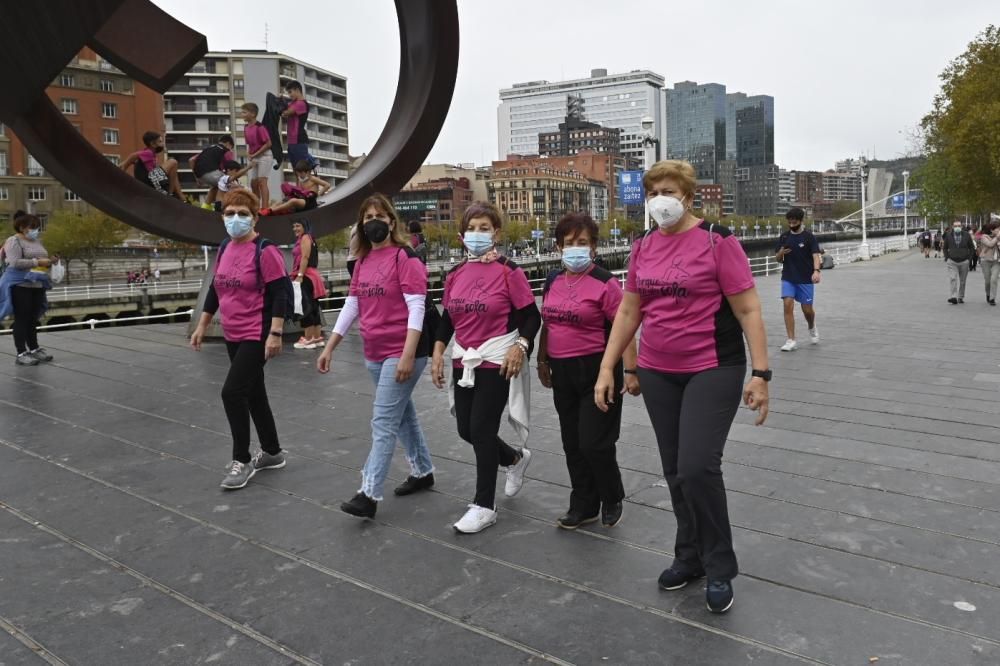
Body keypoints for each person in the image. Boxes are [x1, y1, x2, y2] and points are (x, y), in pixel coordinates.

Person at [595, 160, 770, 615]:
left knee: (697, 467)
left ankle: (719, 566)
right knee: (674, 469)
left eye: (668, 191)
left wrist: (761, 373)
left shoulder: (717, 241)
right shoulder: (643, 246)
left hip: (712, 366)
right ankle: (688, 555)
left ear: (689, 196)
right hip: (657, 370)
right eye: (652, 193)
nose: (659, 201)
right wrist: (610, 367)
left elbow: (749, 309)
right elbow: (629, 312)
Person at [317, 194, 436, 518]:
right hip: (374, 352)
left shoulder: (405, 258)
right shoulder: (364, 261)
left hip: (402, 351)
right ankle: (423, 471)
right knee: (403, 416)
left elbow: (417, 307)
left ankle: (368, 493)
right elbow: (352, 304)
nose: (373, 221)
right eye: (367, 216)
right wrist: (330, 347)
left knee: (383, 421)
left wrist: (408, 355)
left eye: (379, 215)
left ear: (391, 221)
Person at [430, 202, 541, 534]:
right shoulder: (454, 275)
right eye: (472, 228)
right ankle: (513, 459)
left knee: (481, 428)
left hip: (497, 357)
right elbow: (448, 318)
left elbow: (531, 316)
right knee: (466, 429)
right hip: (464, 356)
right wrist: (437, 353)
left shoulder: (509, 271)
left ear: (496, 233)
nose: (477, 234)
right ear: (462, 235)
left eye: (484, 227)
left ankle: (484, 506)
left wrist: (521, 346)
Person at [537, 212, 640, 530]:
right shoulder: (553, 279)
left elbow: (625, 326)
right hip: (562, 370)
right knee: (572, 442)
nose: (575, 249)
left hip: (598, 369)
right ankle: (583, 503)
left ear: (594, 248)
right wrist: (542, 360)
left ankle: (611, 496)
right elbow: (548, 322)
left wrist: (632, 370)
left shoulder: (605, 283)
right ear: (559, 247)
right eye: (569, 243)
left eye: (582, 243)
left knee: (594, 442)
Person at [190, 190, 290, 490]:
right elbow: (216, 289)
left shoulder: (265, 250)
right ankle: (272, 452)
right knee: (253, 391)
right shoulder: (224, 247)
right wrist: (202, 324)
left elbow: (281, 293)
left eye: (243, 214)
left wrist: (275, 333)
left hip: (256, 332)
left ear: (255, 217)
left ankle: (242, 459)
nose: (236, 219)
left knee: (232, 392)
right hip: (232, 332)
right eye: (230, 213)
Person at [0, 211, 54, 366]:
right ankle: (21, 353)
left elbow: (42, 258)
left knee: (32, 318)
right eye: (34, 227)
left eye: (37, 227)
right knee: (22, 318)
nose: (36, 230)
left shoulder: (36, 241)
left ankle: (34, 349)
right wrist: (38, 262)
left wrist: (50, 262)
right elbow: (15, 262)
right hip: (20, 284)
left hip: (36, 283)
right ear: (23, 227)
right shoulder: (13, 241)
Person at [775, 207, 821, 352]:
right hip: (788, 277)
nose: (791, 224)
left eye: (794, 221)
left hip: (805, 279)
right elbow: (777, 258)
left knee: (807, 311)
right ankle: (791, 340)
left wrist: (816, 271)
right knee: (787, 304)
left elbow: (815, 255)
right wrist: (781, 252)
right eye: (789, 221)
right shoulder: (784, 237)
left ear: (800, 221)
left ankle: (812, 326)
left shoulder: (809, 237)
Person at [290, 219, 327, 348]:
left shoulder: (305, 238)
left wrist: (300, 275)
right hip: (312, 275)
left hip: (306, 275)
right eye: (294, 226)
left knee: (305, 307)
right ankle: (317, 338)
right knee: (314, 306)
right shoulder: (309, 238)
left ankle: (308, 339)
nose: (295, 228)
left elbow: (305, 257)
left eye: (298, 226)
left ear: (305, 227)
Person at [121, 131, 185, 200]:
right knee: (173, 162)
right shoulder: (148, 152)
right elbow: (133, 156)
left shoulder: (149, 155)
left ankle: (181, 197)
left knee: (173, 173)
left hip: (152, 179)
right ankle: (170, 193)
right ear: (152, 144)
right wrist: (124, 166)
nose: (162, 144)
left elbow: (134, 160)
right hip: (150, 179)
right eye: (160, 142)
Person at [259, 161, 330, 216]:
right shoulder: (300, 180)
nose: (299, 175)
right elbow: (300, 191)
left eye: (301, 173)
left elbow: (327, 185)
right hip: (302, 200)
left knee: (293, 201)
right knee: (282, 201)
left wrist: (319, 194)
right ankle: (267, 210)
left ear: (307, 172)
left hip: (310, 202)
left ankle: (271, 211)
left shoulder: (312, 178)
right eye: (298, 173)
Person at [189, 135, 236, 207]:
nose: (230, 149)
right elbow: (231, 168)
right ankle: (219, 209)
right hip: (212, 173)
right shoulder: (226, 151)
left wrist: (197, 178)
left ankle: (205, 207)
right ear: (228, 143)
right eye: (231, 147)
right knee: (229, 184)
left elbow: (191, 160)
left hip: (201, 175)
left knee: (216, 186)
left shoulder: (208, 149)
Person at [241, 102, 273, 206]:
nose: (242, 114)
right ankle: (256, 206)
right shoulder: (245, 127)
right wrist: (249, 154)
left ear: (253, 114)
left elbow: (268, 144)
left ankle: (265, 208)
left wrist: (255, 155)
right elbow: (249, 144)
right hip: (255, 156)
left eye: (244, 112)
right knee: (253, 183)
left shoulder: (260, 127)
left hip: (265, 156)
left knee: (262, 182)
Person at [281, 81, 317, 169]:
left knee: (302, 170)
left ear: (297, 90)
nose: (289, 95)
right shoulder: (293, 103)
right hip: (291, 141)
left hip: (299, 140)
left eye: (290, 92)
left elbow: (286, 112)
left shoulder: (301, 104)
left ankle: (313, 164)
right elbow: (284, 108)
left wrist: (282, 105)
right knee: (296, 171)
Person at [943, 220, 975, 304]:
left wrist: (969, 259)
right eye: (955, 226)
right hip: (952, 261)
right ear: (952, 227)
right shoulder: (948, 235)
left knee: (962, 281)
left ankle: (960, 296)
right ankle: (953, 296)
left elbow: (971, 248)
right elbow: (945, 248)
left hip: (964, 261)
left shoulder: (966, 235)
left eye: (959, 226)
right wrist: (947, 258)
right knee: (953, 278)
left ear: (961, 227)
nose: (957, 227)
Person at [976, 222, 999, 306]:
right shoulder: (984, 237)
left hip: (996, 261)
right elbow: (990, 244)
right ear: (992, 230)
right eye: (997, 228)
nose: (999, 230)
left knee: (994, 279)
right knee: (988, 281)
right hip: (986, 261)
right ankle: (988, 294)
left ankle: (992, 298)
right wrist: (997, 237)